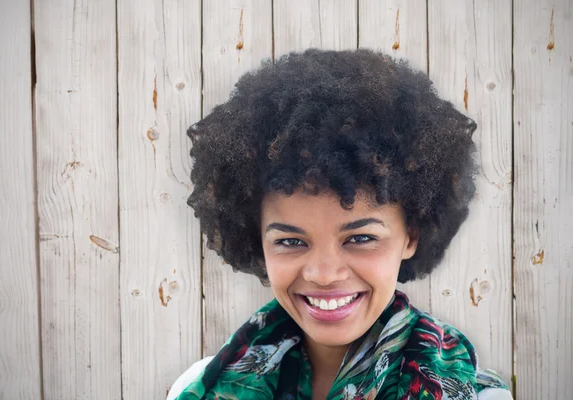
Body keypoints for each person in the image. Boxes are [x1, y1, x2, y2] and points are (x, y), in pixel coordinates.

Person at [168, 48, 512, 400]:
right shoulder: (200, 386)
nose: (324, 273)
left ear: (412, 235)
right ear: (257, 239)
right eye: (290, 241)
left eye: (361, 237)